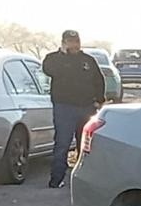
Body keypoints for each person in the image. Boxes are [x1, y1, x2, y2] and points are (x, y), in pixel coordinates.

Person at [42, 30, 105, 189]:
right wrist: (63, 55)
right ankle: (56, 179)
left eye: (76, 41)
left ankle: (84, 180)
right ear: (64, 43)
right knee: (62, 143)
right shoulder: (54, 59)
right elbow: (49, 70)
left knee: (86, 145)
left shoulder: (88, 61)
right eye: (70, 41)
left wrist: (99, 100)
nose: (74, 44)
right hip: (64, 107)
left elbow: (99, 80)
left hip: (86, 107)